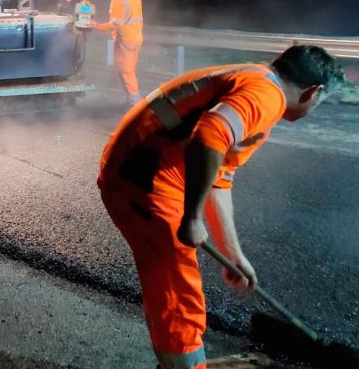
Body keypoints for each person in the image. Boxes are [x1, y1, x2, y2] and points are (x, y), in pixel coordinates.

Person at [97, 45, 344, 369]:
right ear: (314, 92)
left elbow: (219, 177)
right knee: (178, 299)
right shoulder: (266, 96)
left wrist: (233, 254)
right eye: (320, 103)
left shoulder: (255, 80)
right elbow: (209, 136)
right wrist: (193, 216)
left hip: (138, 171)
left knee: (173, 290)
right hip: (144, 183)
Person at [89, 0, 144, 106]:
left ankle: (135, 103)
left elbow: (115, 24)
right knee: (129, 71)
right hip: (136, 39)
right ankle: (131, 99)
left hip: (124, 41)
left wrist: (97, 26)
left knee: (126, 72)